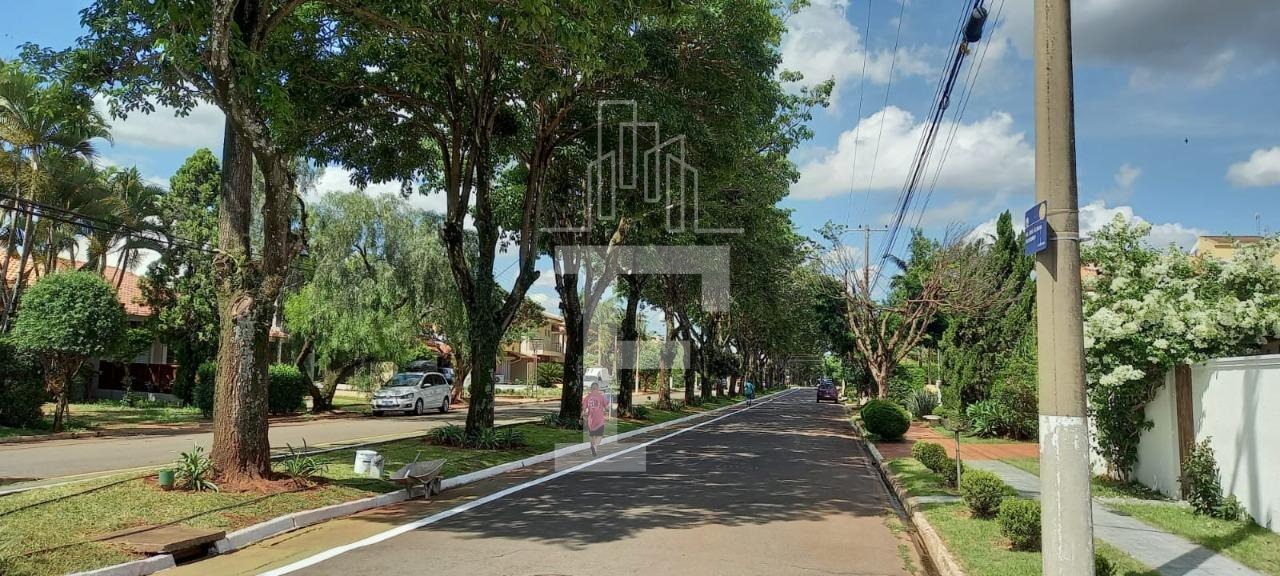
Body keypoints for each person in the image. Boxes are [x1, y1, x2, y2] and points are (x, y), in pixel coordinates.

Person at [583, 382, 608, 456]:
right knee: (600, 435)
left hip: (591, 420)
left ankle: (593, 449)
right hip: (599, 419)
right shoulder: (601, 396)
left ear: (591, 388)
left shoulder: (587, 397)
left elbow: (584, 408)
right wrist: (607, 409)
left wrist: (583, 415)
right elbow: (606, 407)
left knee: (592, 435)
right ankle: (595, 446)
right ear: (598, 388)